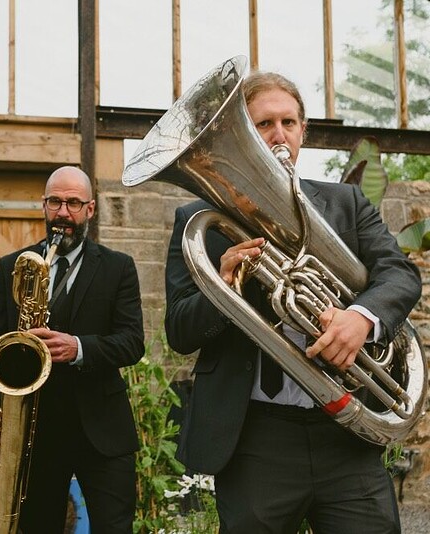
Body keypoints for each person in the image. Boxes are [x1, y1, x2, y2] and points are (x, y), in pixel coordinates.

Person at [165, 71, 422, 533]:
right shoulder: (197, 220)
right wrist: (222, 290)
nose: (278, 134)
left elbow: (399, 274)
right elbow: (180, 331)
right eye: (264, 124)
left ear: (304, 131)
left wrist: (360, 319)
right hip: (255, 438)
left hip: (345, 434)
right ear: (246, 133)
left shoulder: (346, 203)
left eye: (288, 122)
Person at [0, 166, 146, 533]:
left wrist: (79, 348)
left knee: (114, 528)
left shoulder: (118, 267)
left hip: (103, 430)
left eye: (73, 203)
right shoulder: (11, 267)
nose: (63, 213)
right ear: (43, 205)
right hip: (36, 431)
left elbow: (132, 342)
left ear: (90, 209)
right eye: (55, 202)